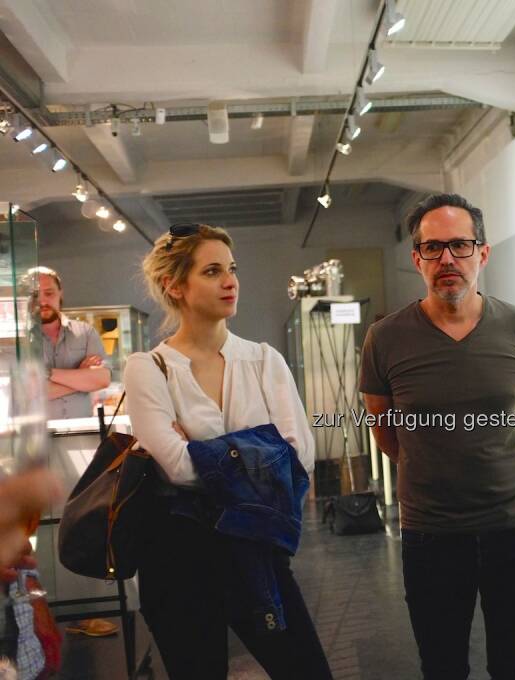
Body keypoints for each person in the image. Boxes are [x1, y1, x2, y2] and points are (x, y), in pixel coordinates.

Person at [123, 224, 331, 680]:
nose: (230, 281)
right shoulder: (147, 368)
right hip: (177, 556)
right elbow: (176, 469)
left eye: (231, 269)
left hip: (257, 547)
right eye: (212, 271)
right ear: (174, 285)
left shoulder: (263, 359)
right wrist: (257, 451)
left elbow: (297, 459)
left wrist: (201, 450)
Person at [359, 193, 515, 680]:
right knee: (442, 666)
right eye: (433, 248)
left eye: (460, 246)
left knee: (514, 665)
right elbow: (384, 427)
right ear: (416, 259)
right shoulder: (385, 338)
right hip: (432, 534)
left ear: (482, 254)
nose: (447, 259)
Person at [29, 266, 111, 420]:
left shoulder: (86, 333)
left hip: (83, 431)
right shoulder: (20, 340)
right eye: (34, 295)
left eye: (49, 293)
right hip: (40, 436)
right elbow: (28, 391)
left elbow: (102, 379)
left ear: (60, 293)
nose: (42, 301)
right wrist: (81, 378)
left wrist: (47, 373)